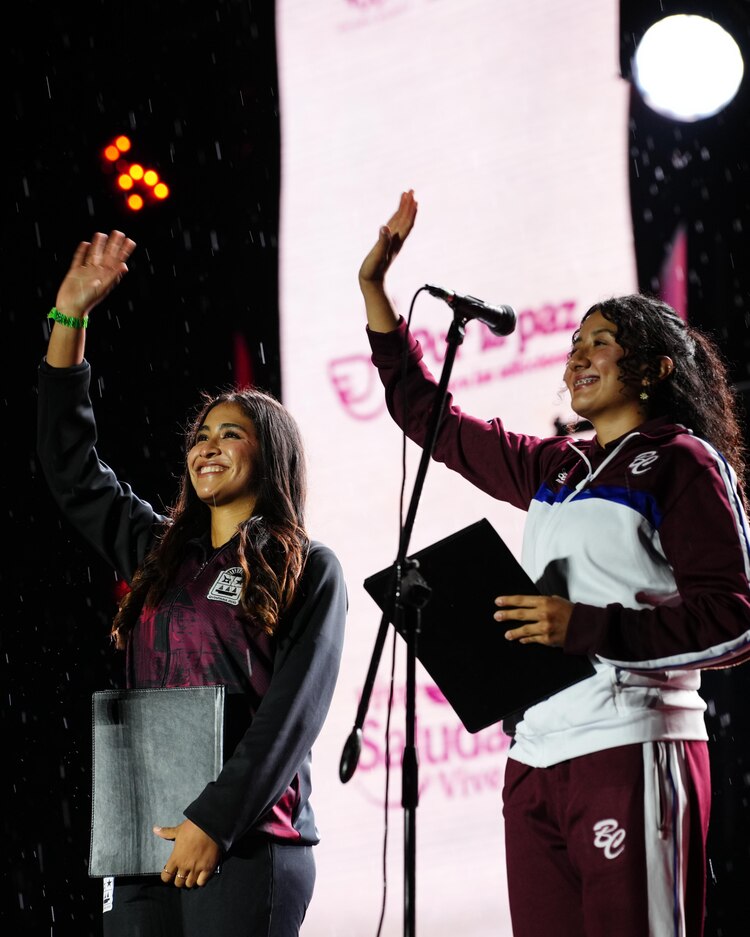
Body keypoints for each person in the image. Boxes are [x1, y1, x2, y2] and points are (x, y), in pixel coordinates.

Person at [358, 191, 750, 937]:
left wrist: (588, 626)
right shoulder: (557, 464)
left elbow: (735, 620)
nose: (575, 358)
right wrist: (377, 293)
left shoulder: (681, 462)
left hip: (631, 743)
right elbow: (428, 417)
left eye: (597, 343)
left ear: (653, 368)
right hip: (535, 757)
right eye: (571, 344)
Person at [36, 230, 347, 937]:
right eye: (202, 434)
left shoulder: (306, 565)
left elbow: (290, 718)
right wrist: (69, 320)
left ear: (270, 454)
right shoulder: (154, 551)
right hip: (141, 832)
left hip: (244, 837)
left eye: (231, 434)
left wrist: (215, 818)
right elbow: (70, 467)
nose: (207, 444)